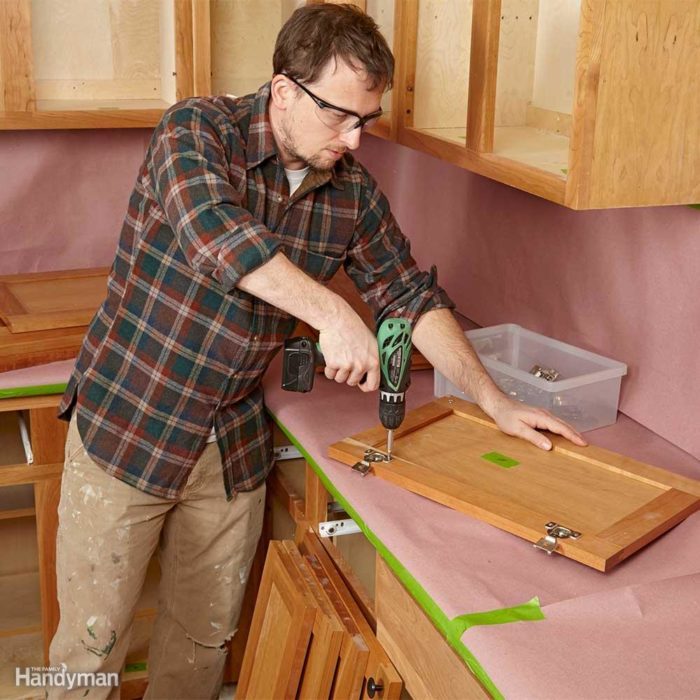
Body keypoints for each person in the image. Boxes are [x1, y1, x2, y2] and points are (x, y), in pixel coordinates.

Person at [49, 4, 586, 698]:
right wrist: (333, 312)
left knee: (202, 641)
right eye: (340, 116)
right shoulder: (196, 131)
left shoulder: (352, 195)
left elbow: (408, 296)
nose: (356, 140)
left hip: (228, 444)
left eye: (368, 120)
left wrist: (495, 400)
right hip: (129, 425)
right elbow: (214, 234)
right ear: (283, 91)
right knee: (88, 654)